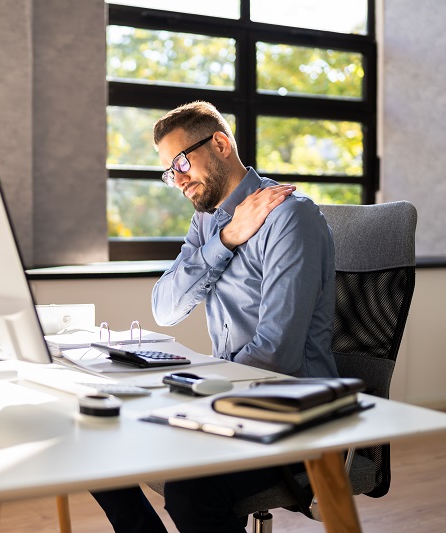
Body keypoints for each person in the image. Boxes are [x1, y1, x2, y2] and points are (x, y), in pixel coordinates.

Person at [92, 100, 339, 532]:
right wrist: (225, 239)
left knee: (193, 489)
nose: (178, 179)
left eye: (182, 161)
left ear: (221, 143)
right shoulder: (207, 224)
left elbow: (277, 355)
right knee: (98, 441)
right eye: (170, 171)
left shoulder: (291, 219)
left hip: (292, 414)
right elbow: (165, 309)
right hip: (228, 402)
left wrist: (195, 393)